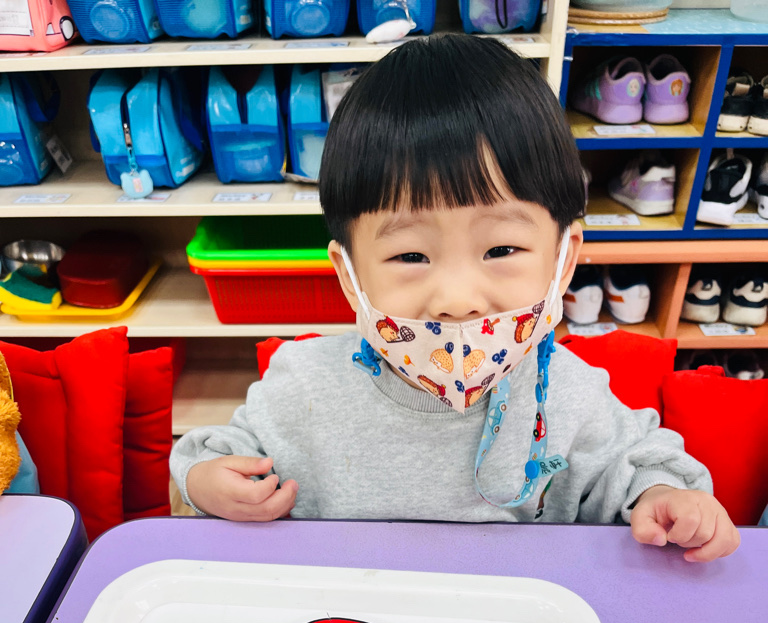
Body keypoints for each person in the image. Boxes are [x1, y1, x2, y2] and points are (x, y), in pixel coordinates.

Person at [171, 34, 740, 563]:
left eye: (501, 249)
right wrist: (208, 481)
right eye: (410, 256)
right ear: (350, 276)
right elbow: (217, 452)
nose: (458, 299)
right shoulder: (303, 383)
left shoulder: (570, 394)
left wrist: (664, 497)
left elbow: (640, 464)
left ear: (563, 259)